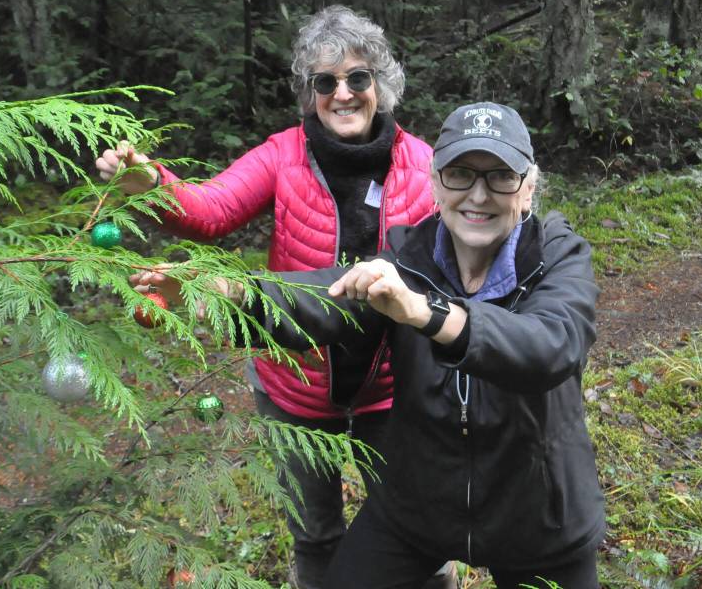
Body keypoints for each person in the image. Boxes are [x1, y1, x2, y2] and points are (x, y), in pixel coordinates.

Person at [133, 102, 605, 588]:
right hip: (420, 504)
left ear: (527, 190)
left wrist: (428, 313)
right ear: (437, 185)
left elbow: (552, 344)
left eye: (500, 177)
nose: (479, 196)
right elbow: (326, 297)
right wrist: (228, 292)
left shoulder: (556, 256)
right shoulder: (409, 255)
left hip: (538, 513)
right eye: (461, 174)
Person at [97, 6, 456, 589]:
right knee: (315, 534)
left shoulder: (424, 166)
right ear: (309, 92)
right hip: (296, 389)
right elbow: (211, 211)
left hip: (393, 393)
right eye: (325, 82)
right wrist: (154, 185)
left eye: (357, 78)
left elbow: (459, 257)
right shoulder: (282, 156)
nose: (343, 94)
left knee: (418, 526)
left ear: (380, 85)